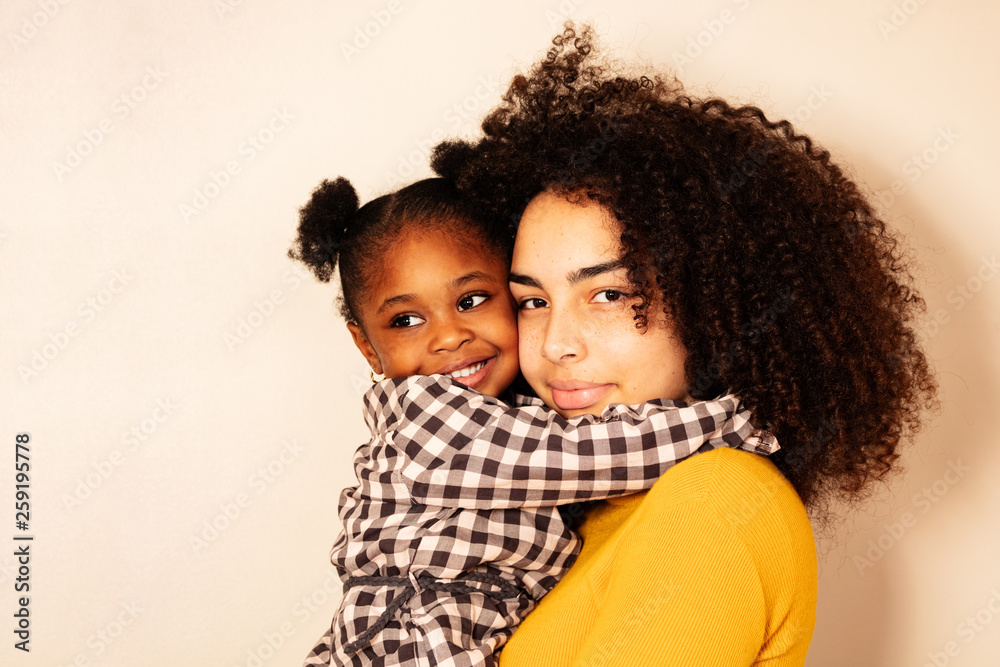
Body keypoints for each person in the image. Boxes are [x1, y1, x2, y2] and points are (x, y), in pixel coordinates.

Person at [431, 24, 937, 665]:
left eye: (609, 294)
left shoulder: (717, 502)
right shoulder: (560, 519)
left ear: (714, 301)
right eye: (534, 300)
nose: (556, 344)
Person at [289, 176, 780, 666]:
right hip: (409, 638)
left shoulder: (715, 499)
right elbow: (590, 456)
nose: (449, 337)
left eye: (471, 300)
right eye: (406, 321)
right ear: (366, 346)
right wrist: (734, 420)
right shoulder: (429, 418)